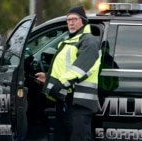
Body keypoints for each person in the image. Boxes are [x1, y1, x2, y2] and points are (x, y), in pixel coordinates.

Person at [35, 6, 101, 141]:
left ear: (83, 21)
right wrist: (47, 78)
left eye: (74, 19)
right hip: (65, 100)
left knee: (79, 137)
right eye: (68, 20)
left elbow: (79, 69)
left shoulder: (89, 41)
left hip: (79, 103)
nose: (70, 22)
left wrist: (58, 85)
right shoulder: (68, 42)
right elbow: (65, 69)